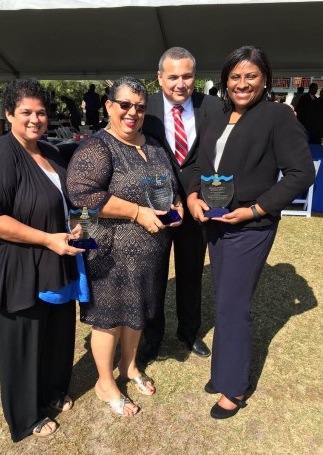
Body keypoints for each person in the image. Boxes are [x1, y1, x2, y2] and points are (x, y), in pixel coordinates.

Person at [187, 45, 315, 420]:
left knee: (232, 305)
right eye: (235, 76)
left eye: (251, 76)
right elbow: (195, 162)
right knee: (224, 298)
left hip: (251, 226)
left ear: (265, 79)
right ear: (225, 80)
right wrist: (193, 195)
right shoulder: (216, 115)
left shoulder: (277, 116)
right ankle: (223, 372)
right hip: (214, 221)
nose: (242, 84)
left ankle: (233, 387)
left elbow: (301, 173)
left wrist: (256, 209)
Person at [0, 79, 88, 441]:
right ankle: (25, 415)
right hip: (14, 267)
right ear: (8, 114)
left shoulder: (50, 151)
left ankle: (51, 390)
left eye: (40, 112)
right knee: (22, 342)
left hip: (54, 262)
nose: (35, 119)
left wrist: (73, 224)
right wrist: (46, 239)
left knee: (55, 332)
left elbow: (62, 201)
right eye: (26, 113)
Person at [67, 76, 183, 417]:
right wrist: (135, 212)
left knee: (137, 313)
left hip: (151, 252)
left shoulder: (154, 145)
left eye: (140, 107)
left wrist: (174, 203)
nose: (132, 112)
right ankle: (105, 382)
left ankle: (130, 367)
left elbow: (168, 184)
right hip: (111, 252)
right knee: (110, 319)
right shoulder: (97, 147)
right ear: (109, 106)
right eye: (125, 105)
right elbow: (82, 194)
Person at [141, 47, 221, 363]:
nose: (180, 83)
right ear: (160, 78)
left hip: (196, 205)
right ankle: (152, 338)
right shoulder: (143, 108)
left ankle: (189, 333)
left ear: (194, 77)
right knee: (154, 276)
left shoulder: (214, 106)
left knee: (191, 274)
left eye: (187, 76)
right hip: (156, 206)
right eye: (173, 76)